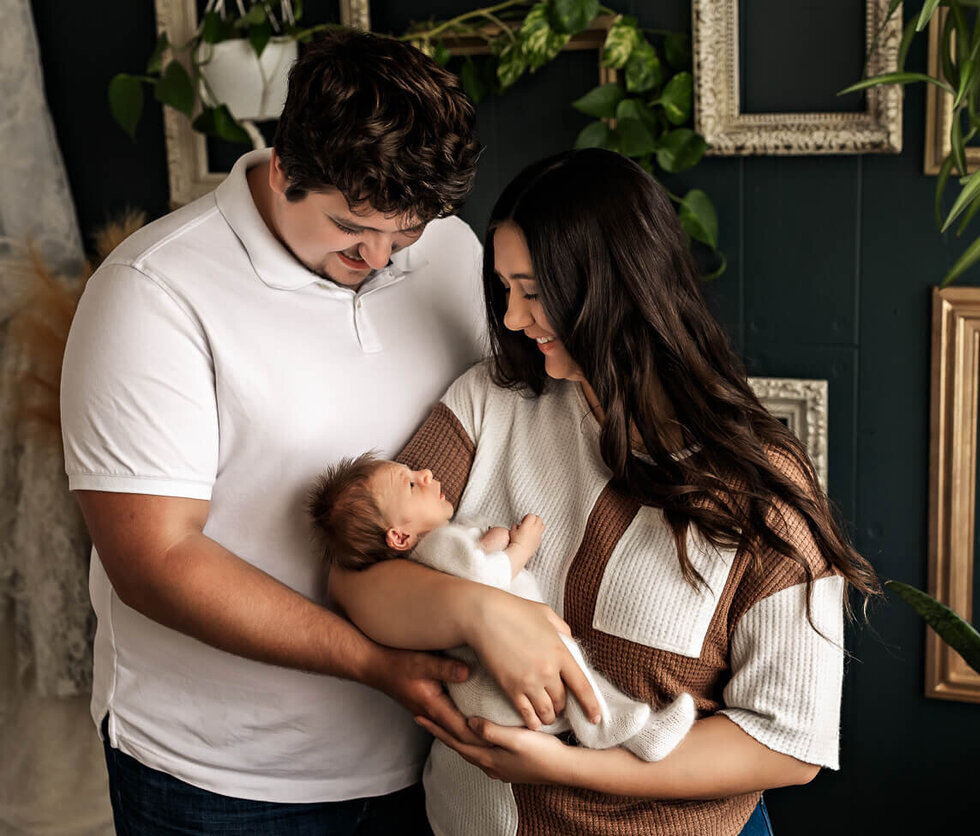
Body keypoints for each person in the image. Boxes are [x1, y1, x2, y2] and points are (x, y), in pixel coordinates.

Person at [60, 29, 599, 834]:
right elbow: (155, 559)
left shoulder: (451, 252)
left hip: (438, 761)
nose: (381, 256)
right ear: (284, 170)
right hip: (226, 778)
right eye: (353, 226)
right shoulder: (153, 293)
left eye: (405, 229)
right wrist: (376, 665)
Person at [330, 148, 884, 835]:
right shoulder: (489, 402)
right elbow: (357, 577)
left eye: (532, 291)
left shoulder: (759, 483)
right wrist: (480, 614)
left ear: (617, 284)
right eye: (503, 290)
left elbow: (786, 741)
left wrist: (564, 769)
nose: (510, 318)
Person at [307, 452, 696, 761]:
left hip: (490, 694)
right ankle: (620, 730)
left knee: (572, 666)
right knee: (572, 665)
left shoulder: (419, 561)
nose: (425, 472)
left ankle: (625, 727)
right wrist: (520, 547)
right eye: (410, 483)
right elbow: (485, 578)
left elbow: (471, 562)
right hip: (504, 688)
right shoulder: (437, 544)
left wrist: (489, 541)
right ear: (398, 535)